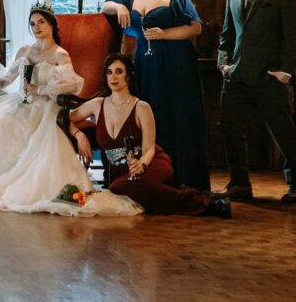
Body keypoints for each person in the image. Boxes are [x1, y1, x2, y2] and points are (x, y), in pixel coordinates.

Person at [0, 3, 141, 217]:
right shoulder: (24, 51)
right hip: (20, 102)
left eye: (41, 22)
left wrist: (40, 89)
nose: (36, 27)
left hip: (45, 106)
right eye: (32, 23)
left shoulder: (60, 55)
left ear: (50, 25)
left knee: (33, 132)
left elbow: (72, 85)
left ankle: (23, 184)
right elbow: (8, 77)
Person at [71, 53, 231, 218]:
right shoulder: (98, 105)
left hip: (152, 163)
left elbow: (149, 149)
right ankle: (201, 197)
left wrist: (141, 164)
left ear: (128, 76)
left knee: (122, 188)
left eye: (119, 71)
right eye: (109, 72)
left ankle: (209, 204)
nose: (113, 76)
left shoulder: (141, 107)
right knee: (120, 188)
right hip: (123, 174)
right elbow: (65, 118)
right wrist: (79, 135)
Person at [101, 0, 210, 190]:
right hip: (145, 64)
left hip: (176, 62)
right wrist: (119, 8)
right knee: (151, 114)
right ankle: (152, 177)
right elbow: (105, 5)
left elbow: (196, 28)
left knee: (177, 114)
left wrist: (165, 34)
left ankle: (182, 177)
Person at [217, 0, 296, 202]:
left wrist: (285, 71)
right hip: (236, 77)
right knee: (231, 131)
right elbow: (226, 35)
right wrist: (223, 63)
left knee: (284, 132)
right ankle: (239, 184)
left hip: (270, 77)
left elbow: (294, 35)